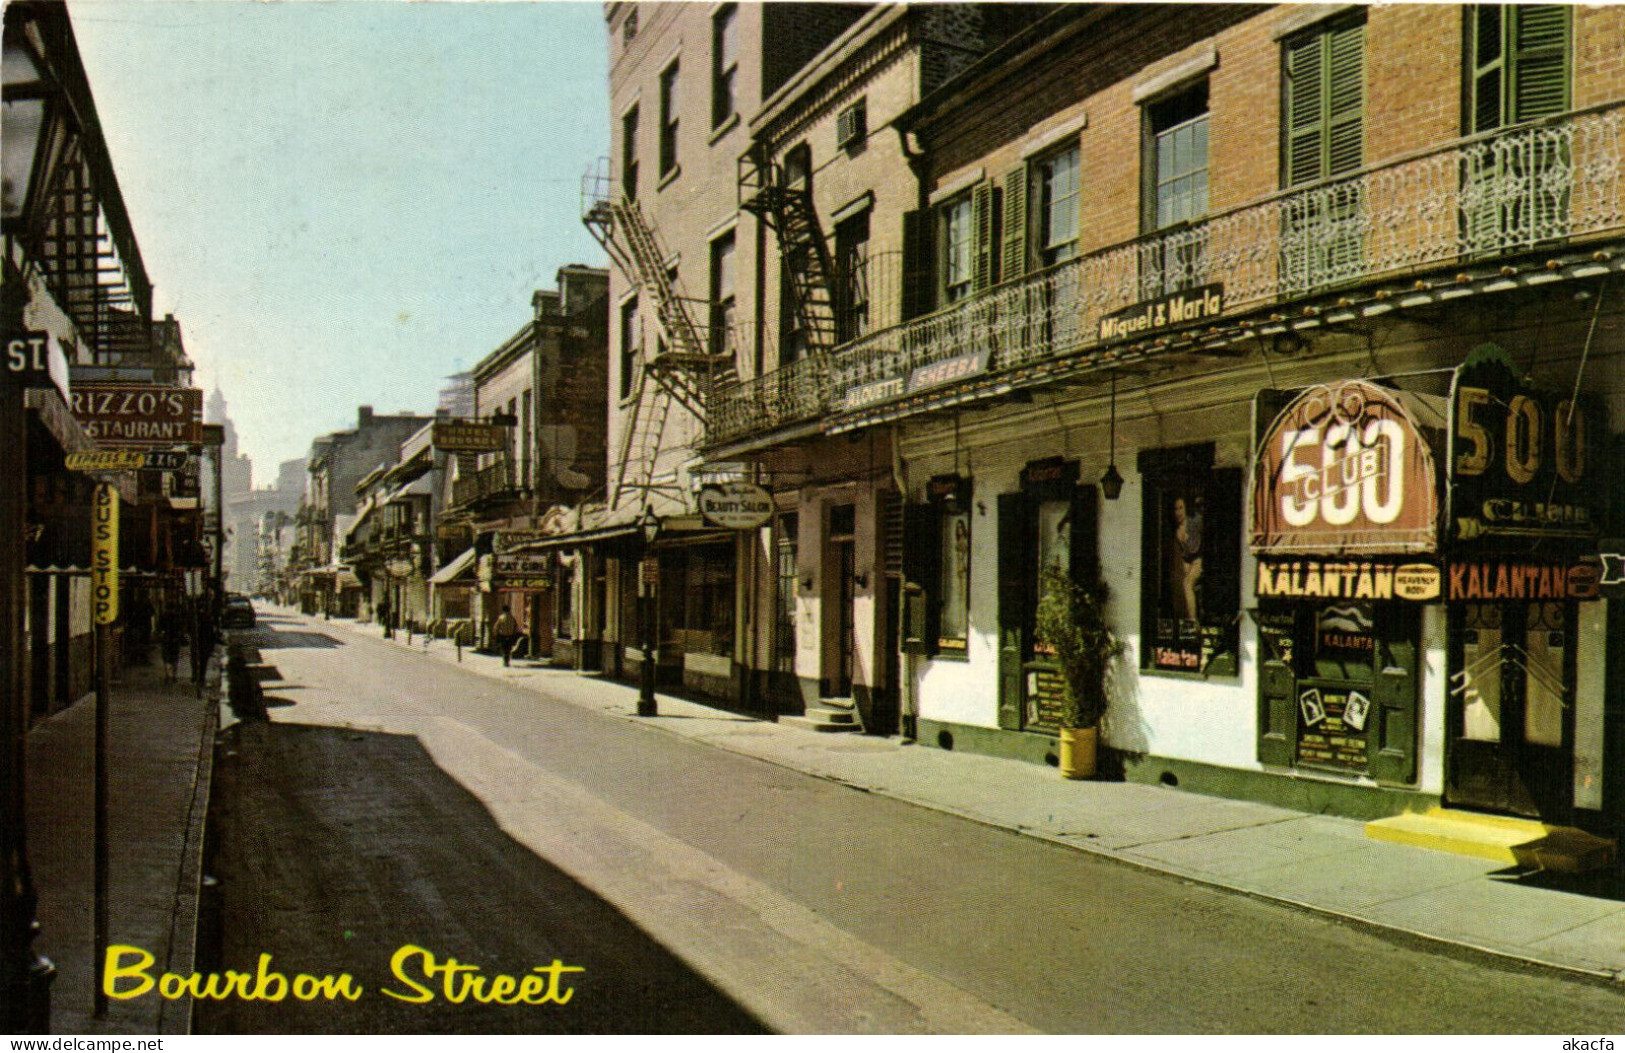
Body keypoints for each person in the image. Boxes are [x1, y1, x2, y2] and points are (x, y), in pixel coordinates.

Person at [159, 600, 186, 685]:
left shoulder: (164, 617)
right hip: (174, 641)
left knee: (167, 658)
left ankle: (168, 675)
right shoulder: (177, 617)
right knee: (174, 659)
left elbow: (159, 628)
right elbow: (181, 629)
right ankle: (173, 676)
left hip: (167, 640)